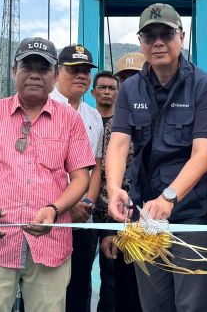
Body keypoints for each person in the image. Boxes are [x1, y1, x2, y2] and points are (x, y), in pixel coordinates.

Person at [0, 37, 95, 312]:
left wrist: (55, 208)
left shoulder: (70, 119)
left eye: (43, 69)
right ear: (14, 71)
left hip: (50, 245)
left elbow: (81, 178)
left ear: (54, 77)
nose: (35, 75)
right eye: (27, 66)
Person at [106, 3, 207, 312]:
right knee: (154, 304)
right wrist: (115, 188)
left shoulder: (205, 87)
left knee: (193, 305)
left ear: (181, 38)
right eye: (149, 36)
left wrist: (170, 197)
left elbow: (203, 154)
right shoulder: (130, 89)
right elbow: (119, 143)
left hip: (192, 215)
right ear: (141, 42)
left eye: (166, 34)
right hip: (146, 213)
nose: (158, 42)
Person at [51, 44, 104, 312]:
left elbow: (96, 165)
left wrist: (86, 204)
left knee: (80, 285)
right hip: (50, 217)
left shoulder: (94, 116)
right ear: (58, 72)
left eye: (85, 70)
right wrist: (66, 206)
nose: (81, 75)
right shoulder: (43, 109)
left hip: (83, 218)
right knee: (45, 289)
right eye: (73, 69)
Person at [92, 61, 143, 312]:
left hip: (130, 211)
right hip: (97, 209)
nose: (108, 92)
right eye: (102, 87)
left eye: (113, 87)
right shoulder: (93, 122)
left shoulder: (139, 122)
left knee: (123, 275)